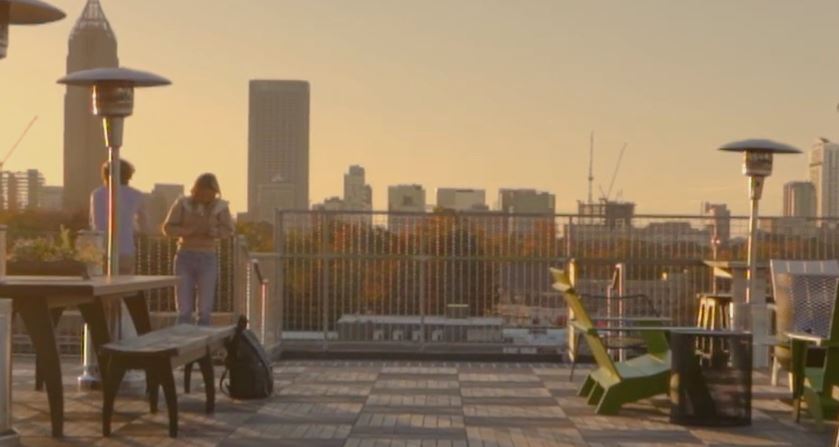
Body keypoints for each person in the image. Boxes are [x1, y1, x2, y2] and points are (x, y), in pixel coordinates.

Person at [163, 173, 234, 326]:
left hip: (207, 256)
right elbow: (167, 228)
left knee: (205, 307)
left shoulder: (220, 207)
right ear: (196, 190)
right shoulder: (183, 204)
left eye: (209, 194)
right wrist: (186, 230)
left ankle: (203, 338)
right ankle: (183, 337)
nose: (205, 197)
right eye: (202, 193)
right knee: (183, 306)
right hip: (185, 255)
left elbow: (228, 230)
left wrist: (215, 232)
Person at [90, 159, 147, 274]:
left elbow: (95, 222)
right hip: (125, 248)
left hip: (100, 249)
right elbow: (144, 222)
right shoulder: (136, 195)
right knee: (125, 286)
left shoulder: (97, 194)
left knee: (102, 286)